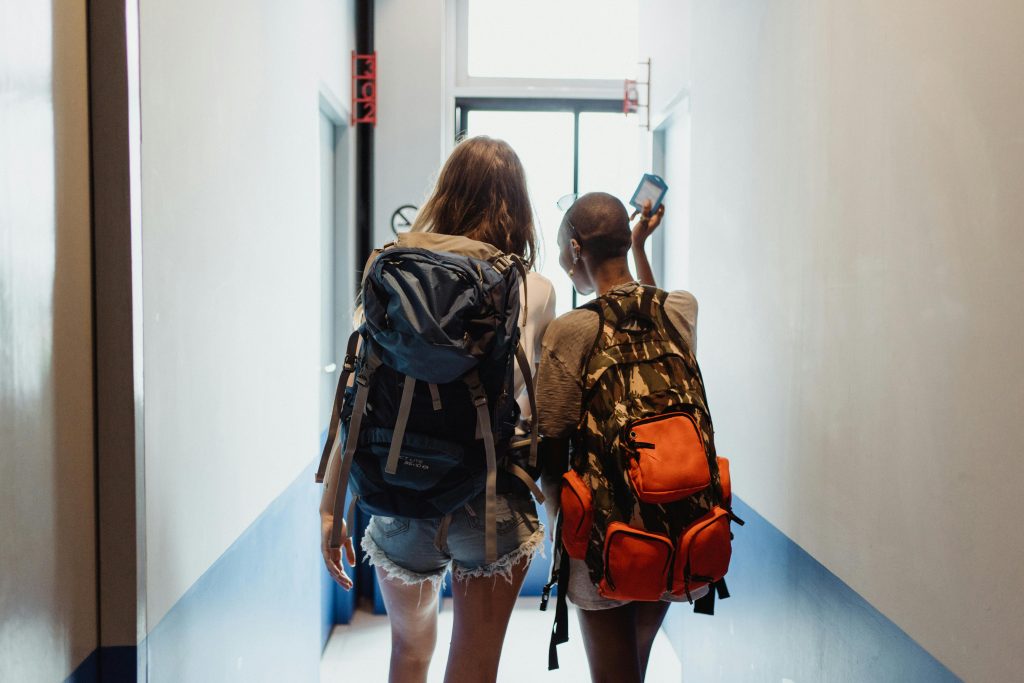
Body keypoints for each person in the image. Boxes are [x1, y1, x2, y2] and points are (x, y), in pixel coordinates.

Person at [319, 136, 555, 683]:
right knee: (473, 665)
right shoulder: (533, 287)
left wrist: (333, 505)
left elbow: (356, 392)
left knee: (408, 651)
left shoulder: (389, 272)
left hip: (398, 485)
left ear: (445, 191)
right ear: (518, 206)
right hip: (489, 494)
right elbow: (539, 403)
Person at [537, 192, 697, 683]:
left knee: (613, 675)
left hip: (605, 533)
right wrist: (641, 249)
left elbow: (551, 439)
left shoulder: (571, 330)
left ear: (577, 248)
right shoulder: (682, 309)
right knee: (634, 665)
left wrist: (555, 523)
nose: (565, 263)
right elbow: (652, 312)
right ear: (625, 242)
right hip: (678, 518)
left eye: (566, 252)